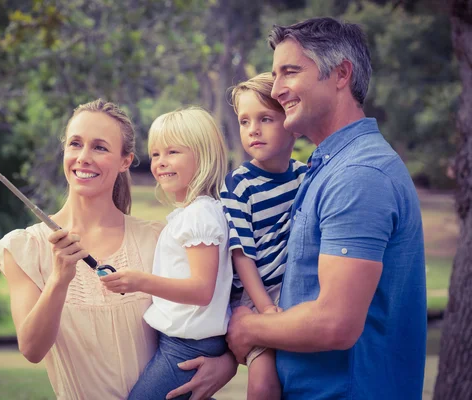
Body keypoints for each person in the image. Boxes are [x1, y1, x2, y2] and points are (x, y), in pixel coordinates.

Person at [226, 17, 427, 400]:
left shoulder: (359, 175)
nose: (278, 89)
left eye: (290, 72)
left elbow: (335, 324)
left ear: (340, 74)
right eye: (275, 74)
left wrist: (249, 329)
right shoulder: (325, 167)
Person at [0, 99, 237, 400]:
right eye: (75, 144)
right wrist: (59, 278)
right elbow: (31, 349)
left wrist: (227, 363)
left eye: (99, 147)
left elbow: (222, 300)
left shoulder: (157, 238)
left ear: (125, 161)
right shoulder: (24, 248)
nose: (83, 157)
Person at [101, 107, 234, 400]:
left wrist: (140, 281)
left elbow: (202, 290)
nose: (160, 163)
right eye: (156, 154)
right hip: (180, 342)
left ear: (203, 156)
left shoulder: (199, 216)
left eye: (172, 152)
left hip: (187, 346)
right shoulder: (191, 213)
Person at [220, 72, 307, 400]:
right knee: (264, 382)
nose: (253, 129)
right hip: (256, 292)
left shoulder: (305, 175)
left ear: (293, 124)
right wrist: (265, 308)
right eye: (244, 121)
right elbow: (241, 254)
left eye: (265, 118)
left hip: (297, 288)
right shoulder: (240, 184)